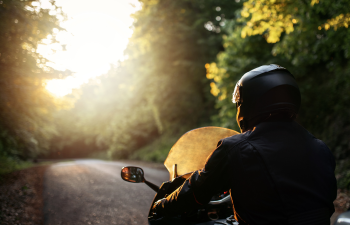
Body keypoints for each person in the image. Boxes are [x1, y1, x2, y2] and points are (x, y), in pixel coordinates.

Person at [152, 64, 337, 225]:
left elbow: (197, 190)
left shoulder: (236, 149)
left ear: (247, 104)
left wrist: (163, 205)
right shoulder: (320, 148)